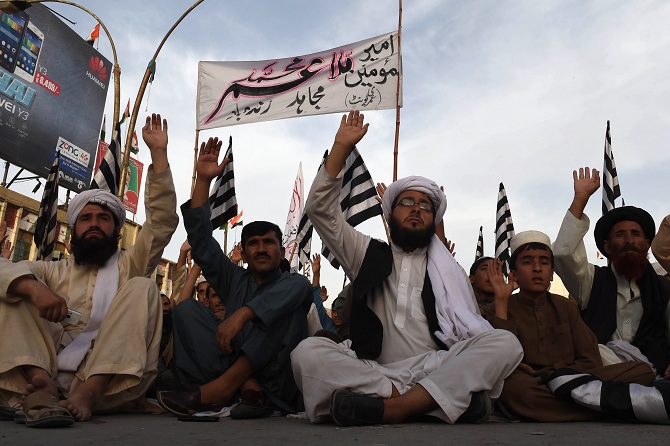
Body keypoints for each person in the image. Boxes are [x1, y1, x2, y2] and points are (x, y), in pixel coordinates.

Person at [291, 111, 523, 426]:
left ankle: (391, 408)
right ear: (390, 215)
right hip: (374, 370)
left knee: (505, 343)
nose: (416, 209)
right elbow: (319, 210)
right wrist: (341, 148)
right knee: (307, 354)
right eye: (407, 203)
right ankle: (428, 403)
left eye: (425, 205)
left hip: (437, 367)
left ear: (433, 219)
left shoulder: (449, 272)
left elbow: (470, 330)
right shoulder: (366, 253)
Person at [0, 114, 178, 425]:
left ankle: (88, 393)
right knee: (14, 287)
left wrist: (159, 155)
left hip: (110, 384)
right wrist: (34, 289)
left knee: (143, 286)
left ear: (117, 232)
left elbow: (161, 223)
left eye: (103, 218)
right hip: (43, 371)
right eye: (86, 218)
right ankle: (41, 384)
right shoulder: (52, 272)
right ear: (73, 232)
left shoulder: (130, 264)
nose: (94, 223)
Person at [157, 136, 312, 419]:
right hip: (227, 368)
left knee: (281, 309)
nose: (261, 249)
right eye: (253, 243)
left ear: (281, 251)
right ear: (244, 252)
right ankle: (244, 386)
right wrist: (203, 181)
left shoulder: (293, 284)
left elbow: (299, 288)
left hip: (276, 383)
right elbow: (201, 242)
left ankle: (225, 389)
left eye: (268, 242)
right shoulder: (235, 279)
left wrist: (242, 314)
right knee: (187, 309)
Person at [485, 230, 660, 422]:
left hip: (572, 379)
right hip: (532, 385)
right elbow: (501, 364)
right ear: (514, 274)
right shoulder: (496, 309)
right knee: (514, 389)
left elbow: (590, 359)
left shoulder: (566, 307)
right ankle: (606, 407)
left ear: (552, 274)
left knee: (642, 371)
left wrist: (554, 373)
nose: (537, 268)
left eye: (544, 262)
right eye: (527, 262)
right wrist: (501, 302)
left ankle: (577, 408)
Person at [553, 167, 670, 379]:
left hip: (655, 371)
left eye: (635, 234)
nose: (629, 240)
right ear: (607, 246)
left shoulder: (664, 289)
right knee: (594, 350)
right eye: (620, 234)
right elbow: (563, 254)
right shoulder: (592, 282)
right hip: (603, 370)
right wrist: (580, 199)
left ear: (646, 244)